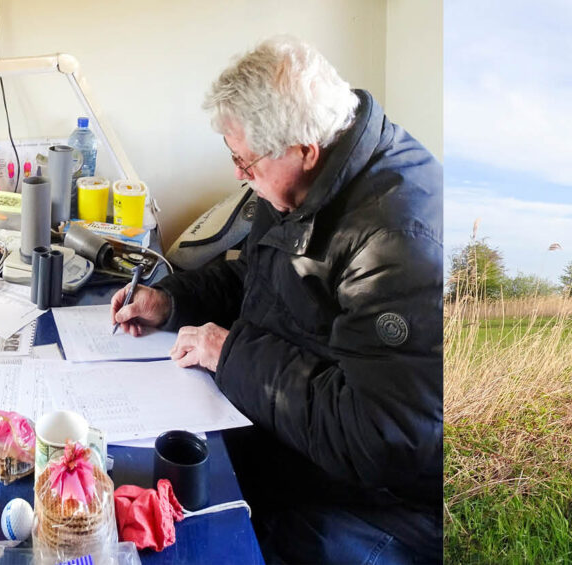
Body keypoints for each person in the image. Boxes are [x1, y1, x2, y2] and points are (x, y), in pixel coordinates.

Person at [110, 36, 442, 562]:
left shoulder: (399, 241)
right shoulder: (298, 180)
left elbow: (379, 438)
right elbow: (256, 283)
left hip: (375, 500)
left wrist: (231, 353)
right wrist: (170, 302)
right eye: (233, 157)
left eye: (246, 162)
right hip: (285, 429)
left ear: (305, 150)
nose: (239, 175)